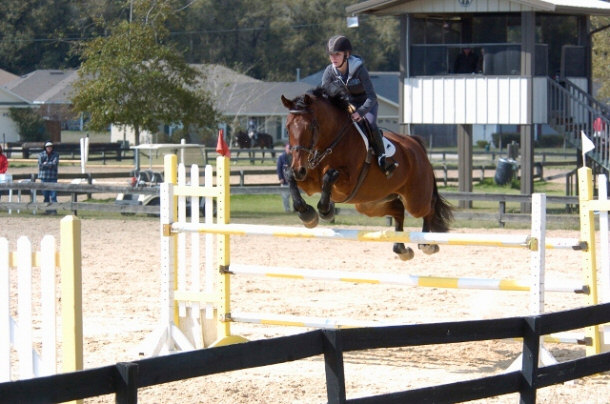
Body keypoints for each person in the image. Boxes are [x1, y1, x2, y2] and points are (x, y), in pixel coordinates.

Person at [321, 35, 397, 177]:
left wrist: (360, 113)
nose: (333, 58)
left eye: (337, 54)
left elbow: (372, 97)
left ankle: (382, 158)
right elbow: (325, 90)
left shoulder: (359, 69)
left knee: (370, 123)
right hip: (347, 104)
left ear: (347, 54)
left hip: (366, 103)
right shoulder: (330, 71)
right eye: (331, 55)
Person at [38, 141, 59, 214]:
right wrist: (49, 164)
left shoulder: (56, 154)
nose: (49, 148)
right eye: (47, 147)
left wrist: (45, 163)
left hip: (53, 177)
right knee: (45, 195)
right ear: (45, 147)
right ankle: (47, 210)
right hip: (44, 177)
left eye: (50, 146)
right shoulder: (41, 154)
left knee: (53, 195)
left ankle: (54, 210)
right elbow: (40, 165)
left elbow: (55, 164)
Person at [277, 143, 292, 212]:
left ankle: (296, 209)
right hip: (285, 180)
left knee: (295, 196)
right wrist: (280, 178)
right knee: (285, 196)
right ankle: (287, 209)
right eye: (289, 148)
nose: (290, 150)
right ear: (285, 148)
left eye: (291, 148)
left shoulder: (294, 157)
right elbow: (279, 168)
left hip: (293, 180)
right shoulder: (281, 157)